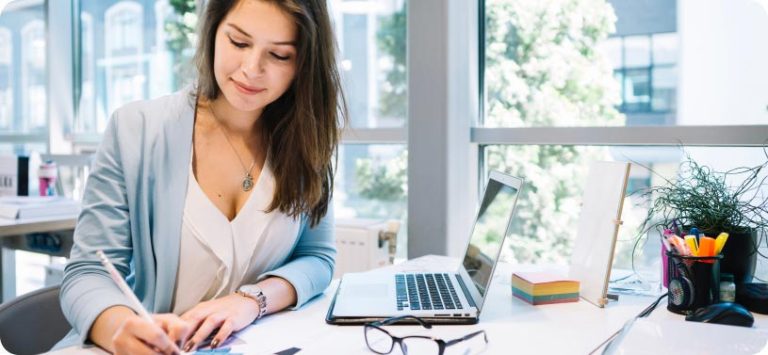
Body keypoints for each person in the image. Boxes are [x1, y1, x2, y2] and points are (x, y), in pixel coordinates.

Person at [54, 0, 346, 353]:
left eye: (280, 55)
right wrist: (120, 330)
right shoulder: (136, 129)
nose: (252, 69)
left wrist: (250, 301)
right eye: (238, 43)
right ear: (212, 32)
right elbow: (88, 271)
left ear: (304, 63)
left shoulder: (306, 140)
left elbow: (317, 258)